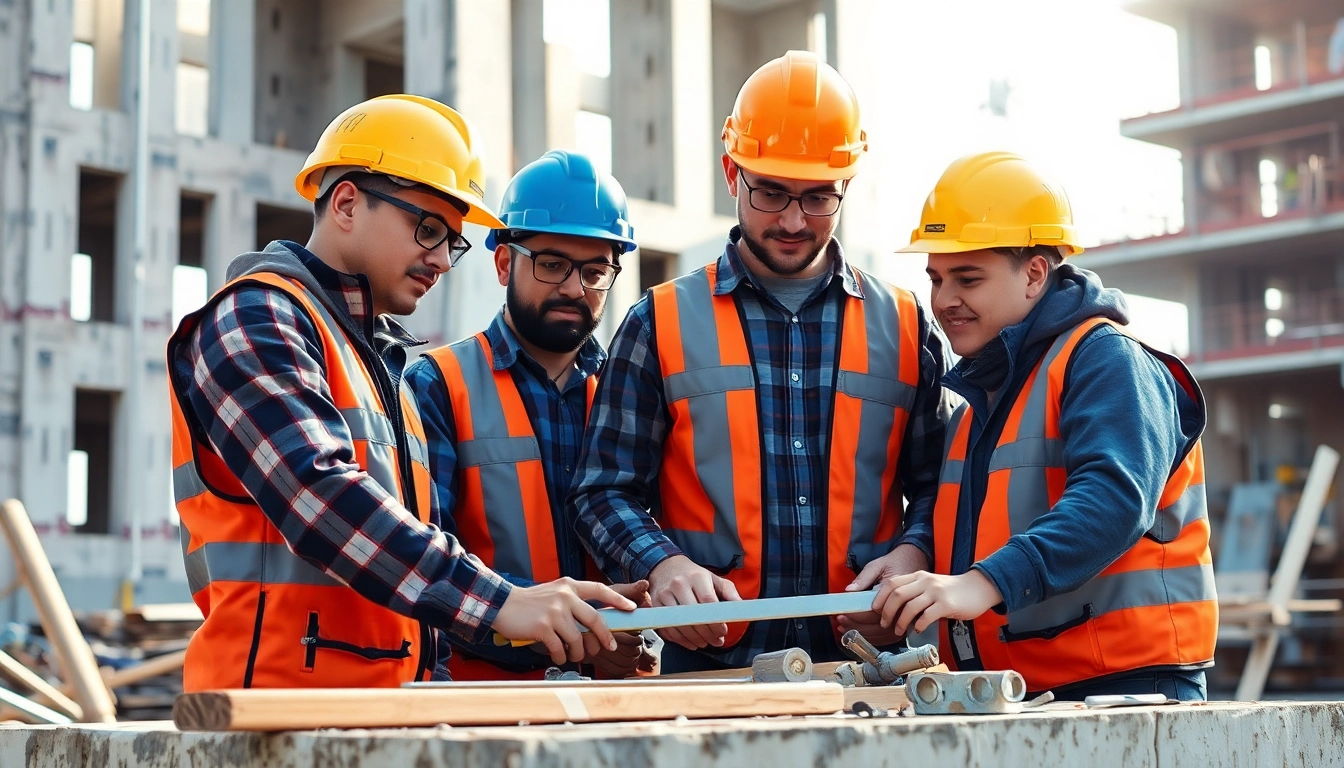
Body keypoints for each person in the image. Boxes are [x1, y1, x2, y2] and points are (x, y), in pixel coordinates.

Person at [167, 95, 634, 691]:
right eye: (429, 228)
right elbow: (319, 496)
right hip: (270, 714)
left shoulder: (382, 369)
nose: (441, 259)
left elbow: (418, 591)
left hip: (372, 714)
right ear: (345, 203)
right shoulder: (254, 318)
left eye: (452, 241)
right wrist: (502, 602)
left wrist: (558, 623)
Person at [569, 51, 949, 673]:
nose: (794, 220)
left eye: (818, 198)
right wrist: (662, 565)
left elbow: (944, 486)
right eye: (771, 193)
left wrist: (915, 554)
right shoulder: (658, 321)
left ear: (846, 187)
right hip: (715, 672)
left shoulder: (906, 325)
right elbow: (603, 489)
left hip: (868, 669)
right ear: (731, 173)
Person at [871, 151, 1216, 699]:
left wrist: (982, 584)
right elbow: (962, 519)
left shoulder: (1105, 360)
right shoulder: (982, 400)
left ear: (1035, 273)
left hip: (1130, 692)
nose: (943, 301)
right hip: (1027, 696)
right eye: (935, 279)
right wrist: (914, 558)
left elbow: (1113, 499)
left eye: (967, 278)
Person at [404, 150, 654, 680]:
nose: (572, 287)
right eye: (551, 263)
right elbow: (420, 568)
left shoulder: (628, 392)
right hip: (488, 711)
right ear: (502, 264)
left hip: (619, 707)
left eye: (594, 270)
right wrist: (567, 640)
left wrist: (634, 626)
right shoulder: (437, 387)